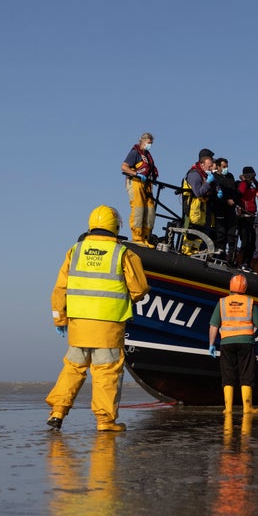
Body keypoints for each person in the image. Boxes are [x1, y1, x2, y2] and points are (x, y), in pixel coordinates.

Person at [45, 205, 149, 432]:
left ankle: (57, 412)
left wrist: (59, 318)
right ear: (116, 226)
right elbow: (139, 288)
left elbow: (60, 288)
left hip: (78, 324)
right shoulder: (123, 253)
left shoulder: (75, 250)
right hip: (108, 324)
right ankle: (105, 421)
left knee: (73, 368)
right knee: (106, 372)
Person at [207, 273, 258, 415]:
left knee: (228, 374)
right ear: (245, 287)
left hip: (226, 342)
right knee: (246, 374)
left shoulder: (222, 302)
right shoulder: (250, 302)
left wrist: (211, 344)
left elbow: (214, 325)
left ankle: (228, 408)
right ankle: (247, 408)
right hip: (246, 342)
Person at [120, 132, 158, 245]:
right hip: (136, 182)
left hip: (146, 185)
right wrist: (135, 174)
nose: (150, 145)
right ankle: (137, 237)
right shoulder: (135, 153)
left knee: (150, 210)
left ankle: (146, 236)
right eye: (148, 143)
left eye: (151, 143)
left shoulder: (147, 156)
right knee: (138, 209)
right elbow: (124, 166)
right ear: (142, 141)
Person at [181, 149, 216, 253]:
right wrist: (208, 183)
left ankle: (195, 250)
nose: (210, 168)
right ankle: (186, 250)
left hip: (201, 209)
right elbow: (198, 192)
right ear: (202, 164)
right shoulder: (194, 175)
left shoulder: (204, 175)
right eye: (209, 166)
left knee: (199, 232)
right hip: (192, 207)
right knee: (191, 230)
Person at [212, 157, 241, 263]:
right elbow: (216, 194)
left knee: (232, 234)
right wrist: (226, 200)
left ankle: (231, 258)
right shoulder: (215, 177)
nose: (226, 168)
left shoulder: (230, 176)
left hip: (231, 209)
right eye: (224, 167)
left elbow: (234, 191)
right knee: (221, 234)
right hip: (220, 208)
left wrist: (236, 203)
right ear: (218, 166)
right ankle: (220, 257)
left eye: (227, 166)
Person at [235, 166, 258, 269]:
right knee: (245, 241)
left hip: (251, 216)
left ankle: (247, 262)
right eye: (251, 175)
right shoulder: (244, 184)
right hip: (243, 216)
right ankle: (240, 262)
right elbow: (238, 194)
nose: (253, 177)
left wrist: (254, 181)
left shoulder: (252, 185)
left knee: (252, 242)